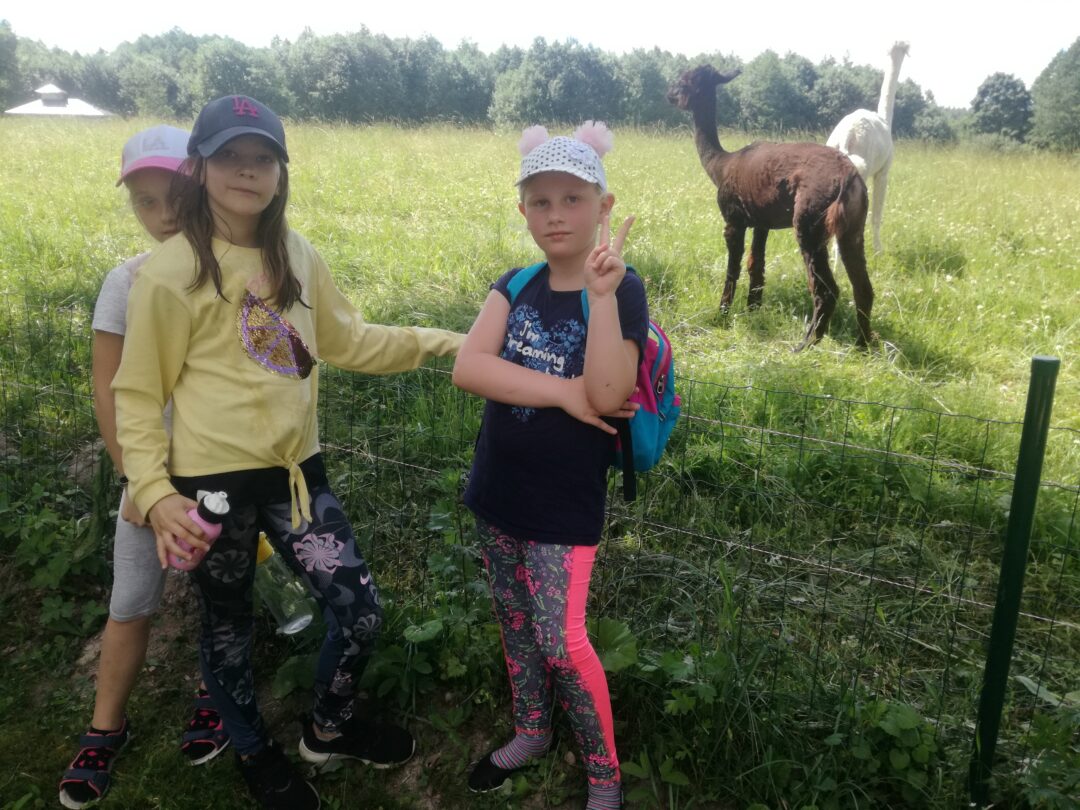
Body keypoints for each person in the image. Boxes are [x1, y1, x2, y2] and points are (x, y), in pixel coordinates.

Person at [111, 95, 464, 809]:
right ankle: (254, 752)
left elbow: (348, 340)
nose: (248, 170)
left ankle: (328, 728)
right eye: (230, 156)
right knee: (228, 629)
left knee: (360, 611)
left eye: (262, 157)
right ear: (198, 167)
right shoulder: (170, 273)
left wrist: (453, 342)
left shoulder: (297, 255)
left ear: (280, 172)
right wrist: (154, 492)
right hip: (210, 493)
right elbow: (139, 396)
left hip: (297, 477)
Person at [452, 122, 645, 810]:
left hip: (564, 505)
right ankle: (532, 731)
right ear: (523, 210)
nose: (556, 214)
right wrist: (562, 391)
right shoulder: (515, 284)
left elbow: (608, 394)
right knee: (515, 622)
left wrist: (601, 297)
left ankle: (603, 774)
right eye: (540, 201)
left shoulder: (620, 288)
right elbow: (469, 368)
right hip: (497, 491)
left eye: (572, 198)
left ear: (603, 206)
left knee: (562, 641)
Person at [60, 125, 232, 810]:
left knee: (223, 595)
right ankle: (106, 726)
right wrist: (137, 478)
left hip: (220, 474)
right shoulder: (125, 282)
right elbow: (108, 388)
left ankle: (217, 695)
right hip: (149, 480)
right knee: (131, 600)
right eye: (145, 202)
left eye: (176, 198)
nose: (163, 215)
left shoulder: (232, 272)